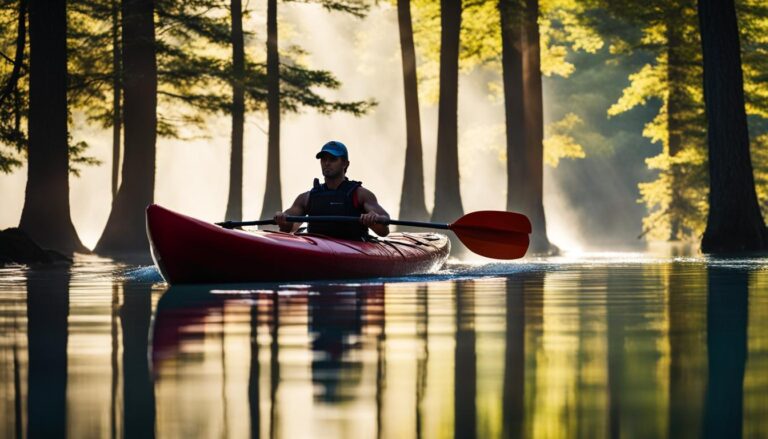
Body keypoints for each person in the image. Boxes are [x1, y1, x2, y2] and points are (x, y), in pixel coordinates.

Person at [274, 141, 390, 239]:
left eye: (333, 159)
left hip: (353, 250)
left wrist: (373, 219)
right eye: (323, 159)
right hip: (316, 251)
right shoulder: (306, 198)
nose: (327, 163)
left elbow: (384, 230)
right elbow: (288, 228)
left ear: (345, 163)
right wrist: (282, 218)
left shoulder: (360, 194)